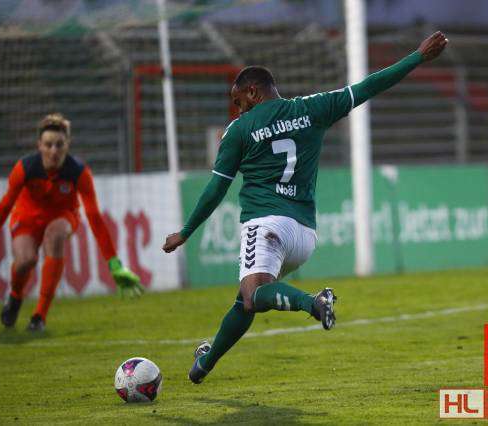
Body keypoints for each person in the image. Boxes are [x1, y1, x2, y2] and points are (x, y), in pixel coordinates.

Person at [163, 31, 448, 384]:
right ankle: (203, 365)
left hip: (266, 225)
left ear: (253, 92)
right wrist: (417, 56)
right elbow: (369, 87)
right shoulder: (312, 108)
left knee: (253, 296)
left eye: (238, 101)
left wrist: (185, 232)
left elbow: (216, 188)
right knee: (246, 300)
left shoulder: (239, 129)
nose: (237, 109)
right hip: (304, 236)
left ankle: (314, 303)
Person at [0, 113, 143, 331]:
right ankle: (15, 295)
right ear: (39, 145)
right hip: (26, 216)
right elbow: (3, 208)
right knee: (25, 261)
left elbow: (94, 217)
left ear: (68, 145)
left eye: (59, 145)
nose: (54, 151)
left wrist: (114, 263)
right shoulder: (24, 168)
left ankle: (39, 316)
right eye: (48, 145)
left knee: (55, 235)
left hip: (64, 215)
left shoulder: (79, 173)